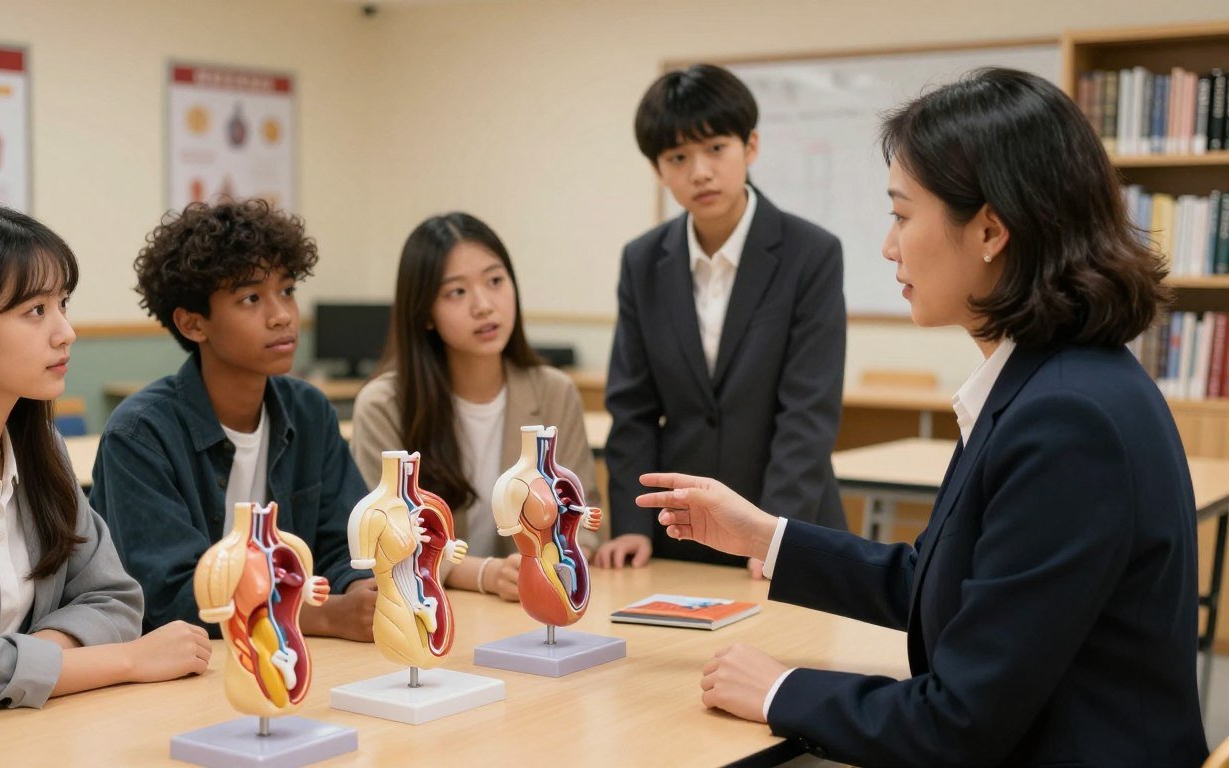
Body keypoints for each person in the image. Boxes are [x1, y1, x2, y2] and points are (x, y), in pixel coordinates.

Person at [640, 68, 1208, 766]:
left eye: (903, 216)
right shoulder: (1055, 381)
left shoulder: (1066, 421)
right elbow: (950, 584)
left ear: (991, 230)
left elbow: (959, 724)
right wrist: (765, 536)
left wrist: (782, 688)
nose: (888, 246)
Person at [0, 202, 209, 714]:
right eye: (35, 311)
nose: (65, 332)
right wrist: (126, 661)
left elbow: (117, 599)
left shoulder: (41, 448)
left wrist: (25, 663)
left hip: (23, 731)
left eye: (63, 304)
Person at [596, 63, 847, 576]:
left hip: (782, 529)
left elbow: (807, 410)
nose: (700, 172)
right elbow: (632, 408)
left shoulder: (811, 253)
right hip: (676, 534)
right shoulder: (642, 260)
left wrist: (772, 534)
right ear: (659, 170)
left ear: (750, 147)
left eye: (715, 149)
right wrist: (630, 524)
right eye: (678, 157)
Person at [91, 200, 374, 641]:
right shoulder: (139, 434)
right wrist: (322, 617)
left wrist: (363, 593)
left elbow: (345, 545)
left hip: (286, 654)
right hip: (182, 668)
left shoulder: (309, 410)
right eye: (251, 298)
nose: (282, 314)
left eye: (288, 290)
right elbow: (170, 595)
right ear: (192, 324)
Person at [352, 212, 598, 602]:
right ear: (424, 313)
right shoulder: (384, 405)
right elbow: (385, 536)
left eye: (495, 281)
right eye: (457, 292)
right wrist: (485, 574)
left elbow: (583, 516)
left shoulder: (555, 391)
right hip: (435, 607)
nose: (484, 305)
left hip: (538, 602)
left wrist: (559, 559)